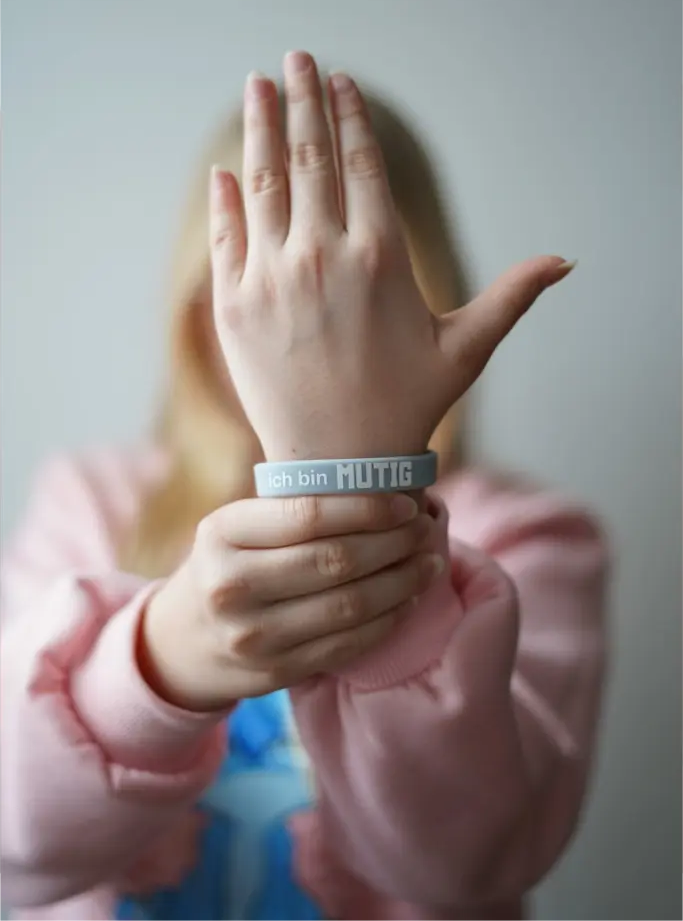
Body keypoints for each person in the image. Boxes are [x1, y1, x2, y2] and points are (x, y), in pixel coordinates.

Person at [0, 51, 608, 921]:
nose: (304, 331)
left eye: (356, 294)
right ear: (197, 303)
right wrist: (159, 661)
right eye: (257, 286)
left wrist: (360, 471)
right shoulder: (92, 502)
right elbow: (14, 852)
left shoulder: (531, 538)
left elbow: (473, 867)